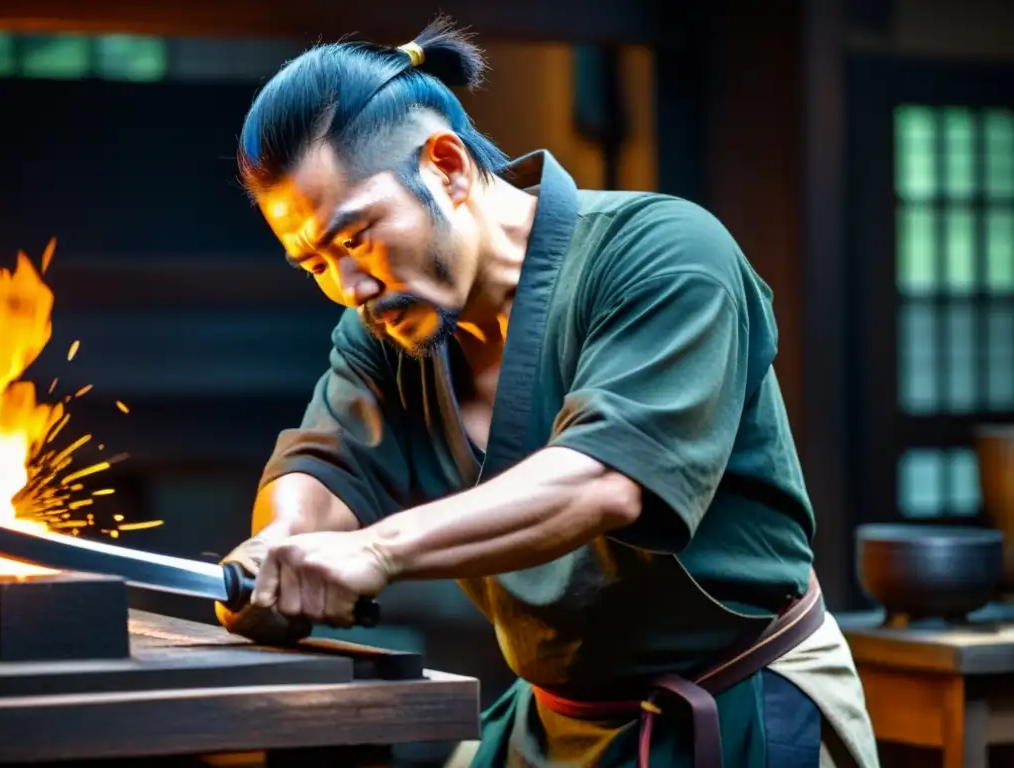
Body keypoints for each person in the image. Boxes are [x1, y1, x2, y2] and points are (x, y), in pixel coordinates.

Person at [217, 17, 880, 768]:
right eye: (314, 265)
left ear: (446, 167)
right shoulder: (387, 329)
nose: (349, 286)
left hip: (738, 710)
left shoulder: (666, 253)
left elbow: (604, 480)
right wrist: (286, 544)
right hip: (552, 726)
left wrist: (374, 551)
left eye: (354, 237)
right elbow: (325, 462)